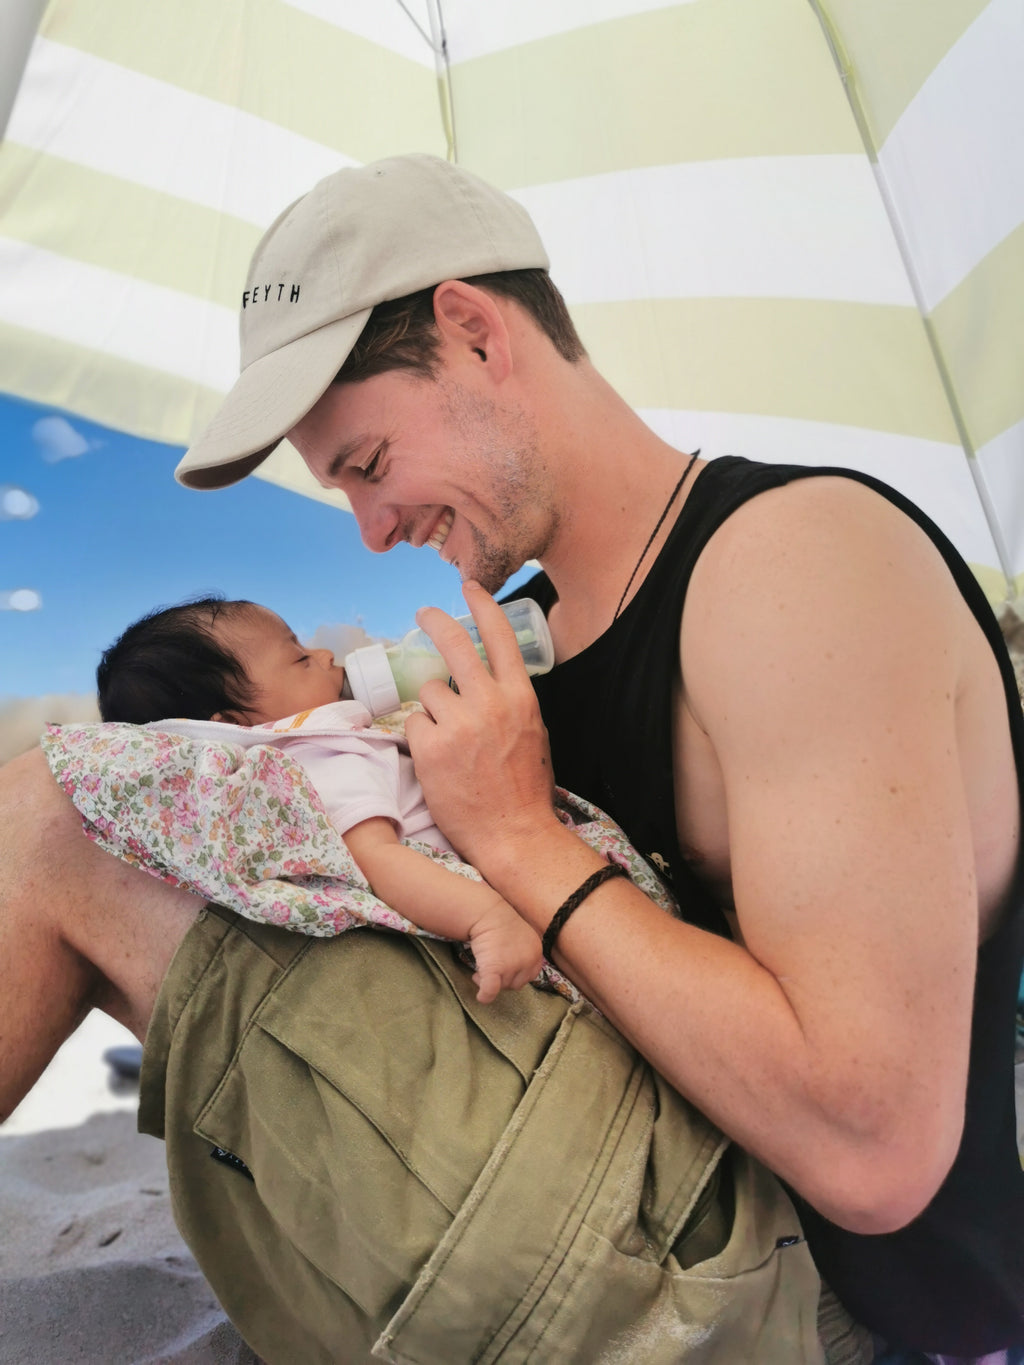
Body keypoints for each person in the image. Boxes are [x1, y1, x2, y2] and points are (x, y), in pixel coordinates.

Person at [1, 152, 1020, 1359]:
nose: (374, 535)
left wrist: (519, 839)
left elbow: (876, 1151)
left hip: (793, 1293)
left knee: (53, 814)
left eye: (369, 468)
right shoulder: (525, 641)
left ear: (475, 333)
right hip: (633, 1203)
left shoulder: (794, 563)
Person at [94, 594, 543, 1004]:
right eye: (300, 658)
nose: (327, 655)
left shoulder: (325, 750)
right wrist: (486, 920)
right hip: (479, 909)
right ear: (233, 721)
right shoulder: (322, 753)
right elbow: (379, 859)